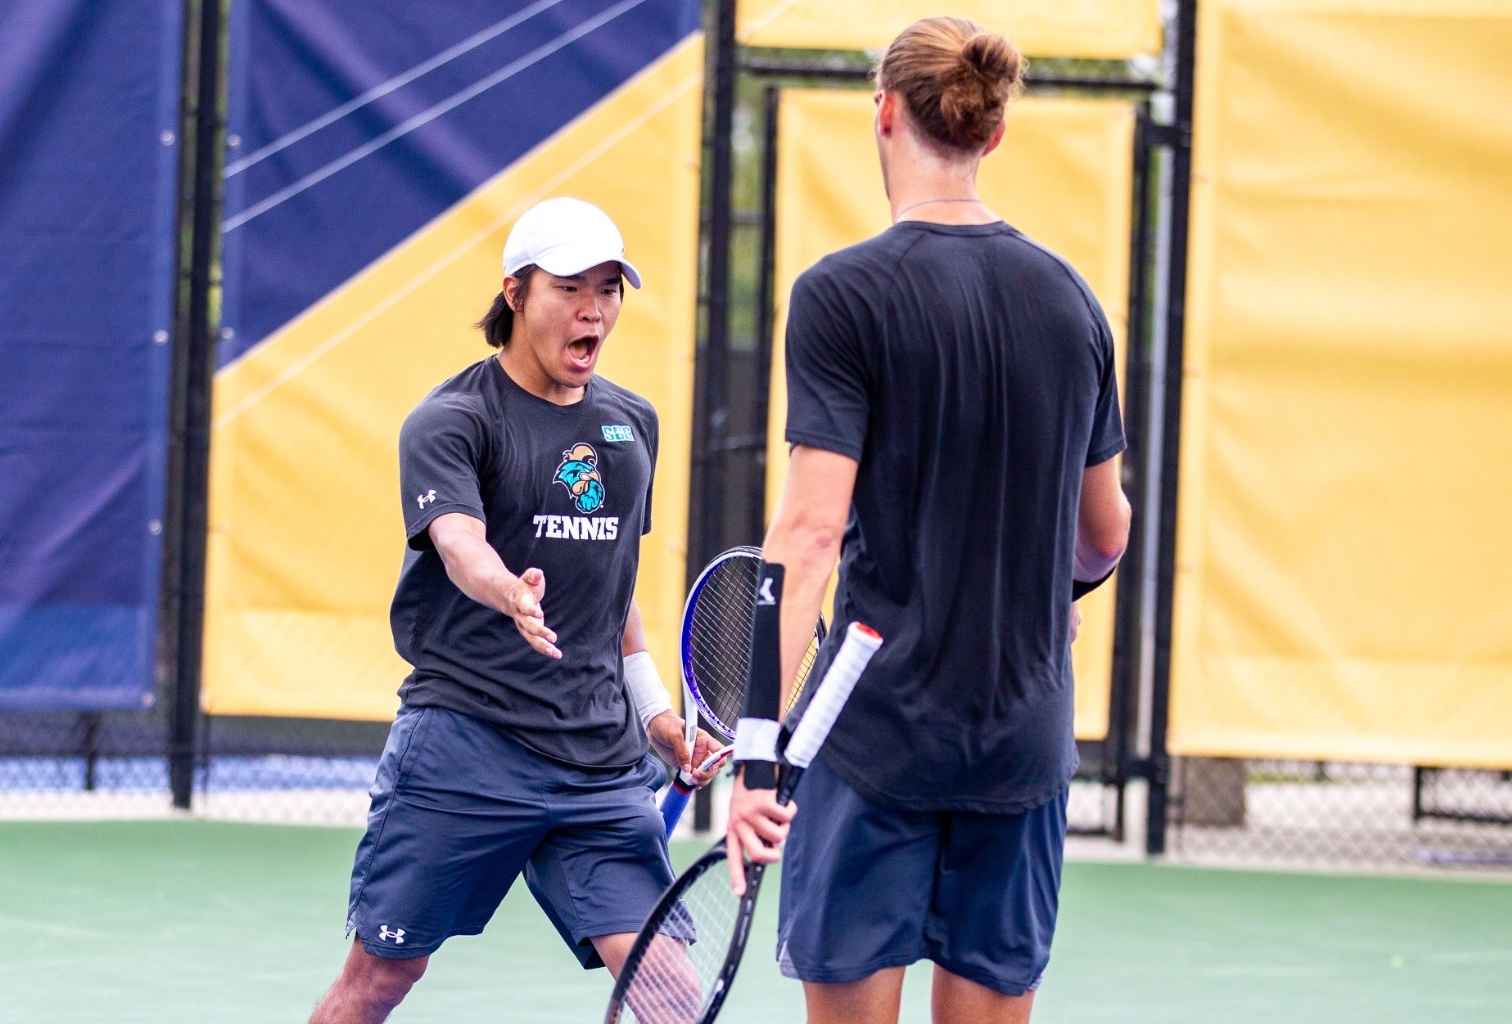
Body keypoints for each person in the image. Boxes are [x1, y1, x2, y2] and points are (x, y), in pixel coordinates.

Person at [725, 17, 1133, 1024]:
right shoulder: (1073, 303)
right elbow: (1105, 534)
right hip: (1022, 738)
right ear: (992, 134)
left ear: (884, 114)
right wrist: (1057, 589)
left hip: (873, 740)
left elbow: (811, 536)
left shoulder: (840, 296)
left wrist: (752, 751)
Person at [309, 197, 715, 1024]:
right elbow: (457, 541)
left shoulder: (631, 423)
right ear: (516, 292)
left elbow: (613, 587)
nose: (593, 308)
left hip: (599, 765)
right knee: (380, 980)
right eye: (569, 287)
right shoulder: (453, 420)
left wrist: (657, 717)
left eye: (609, 288)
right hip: (466, 746)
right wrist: (505, 589)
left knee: (672, 995)